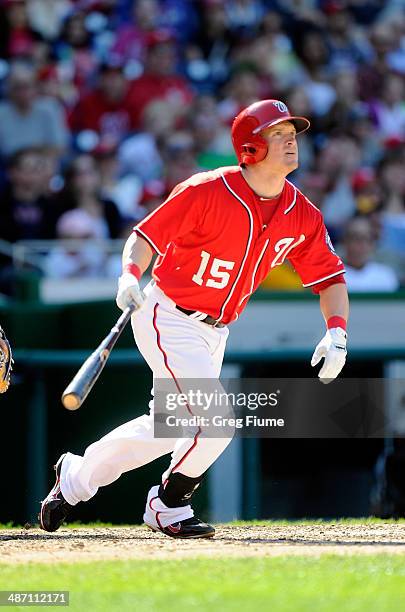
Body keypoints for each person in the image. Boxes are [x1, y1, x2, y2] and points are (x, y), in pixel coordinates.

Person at [40, 99, 349, 539]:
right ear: (251, 147)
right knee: (215, 419)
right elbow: (145, 237)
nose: (290, 142)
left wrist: (337, 332)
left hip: (216, 330)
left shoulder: (301, 212)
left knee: (168, 427)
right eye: (277, 135)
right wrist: (129, 274)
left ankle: (74, 479)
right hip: (169, 315)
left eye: (291, 134)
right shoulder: (205, 190)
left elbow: (330, 278)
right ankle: (169, 503)